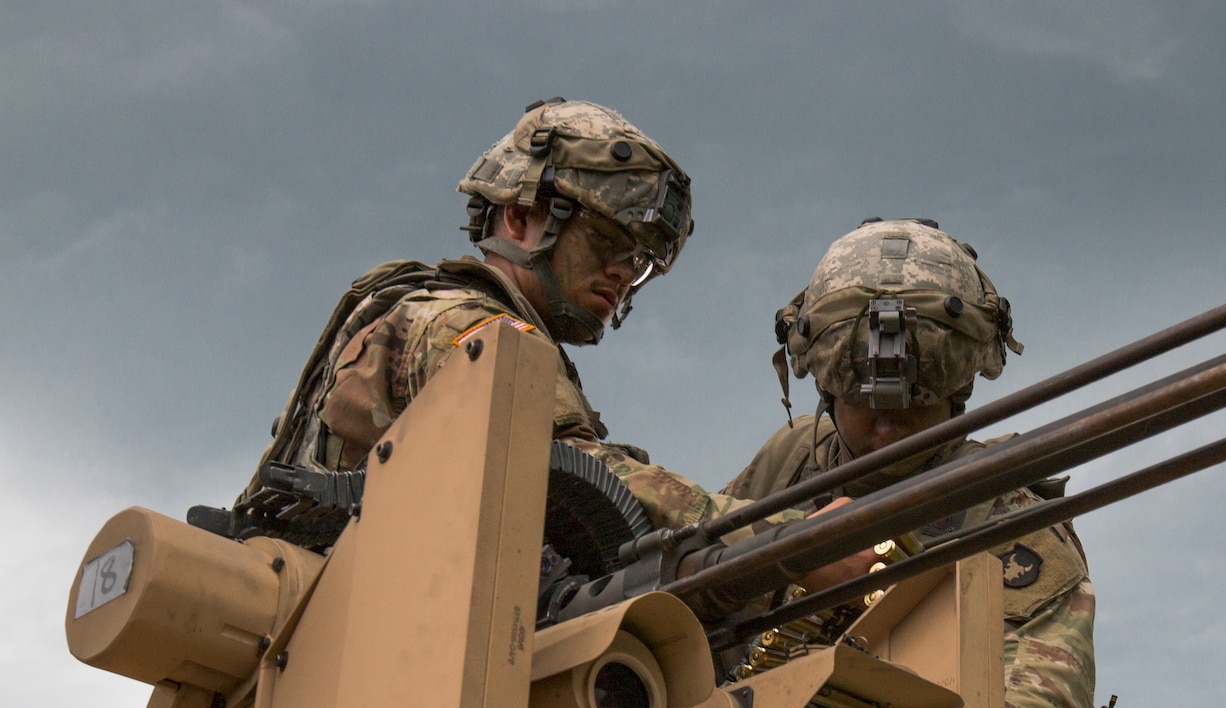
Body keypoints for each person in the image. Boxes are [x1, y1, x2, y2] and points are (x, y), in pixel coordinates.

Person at [245, 97, 868, 590]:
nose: (624, 275)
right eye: (607, 243)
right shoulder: (463, 326)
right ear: (520, 217)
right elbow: (578, 475)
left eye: (639, 260)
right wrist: (784, 537)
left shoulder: (466, 323)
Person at [724, 218, 1098, 708]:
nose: (888, 431)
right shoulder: (790, 465)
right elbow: (702, 604)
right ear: (825, 382)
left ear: (958, 390)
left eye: (915, 405)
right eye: (868, 408)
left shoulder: (1008, 517)